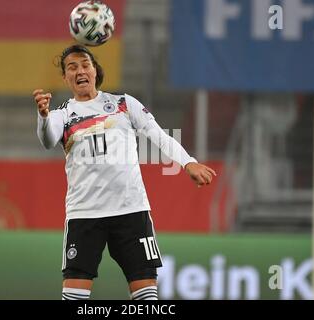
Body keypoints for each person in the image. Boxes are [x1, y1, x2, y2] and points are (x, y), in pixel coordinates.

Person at [33, 44, 216, 300]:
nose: (80, 71)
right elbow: (47, 139)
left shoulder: (123, 104)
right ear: (65, 77)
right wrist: (42, 116)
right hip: (85, 214)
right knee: (74, 295)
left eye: (85, 65)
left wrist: (188, 162)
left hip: (131, 210)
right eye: (72, 67)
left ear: (95, 71)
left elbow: (159, 136)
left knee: (146, 295)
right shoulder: (62, 114)